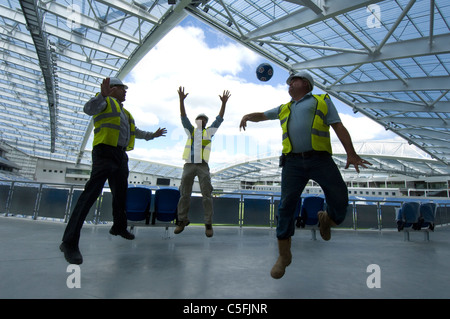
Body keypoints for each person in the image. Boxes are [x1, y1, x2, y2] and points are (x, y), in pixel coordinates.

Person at [239, 71, 371, 279]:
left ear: (306, 84)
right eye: (289, 83)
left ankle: (327, 218)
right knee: (286, 206)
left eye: (294, 81)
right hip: (292, 162)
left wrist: (351, 153)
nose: (289, 85)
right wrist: (248, 116)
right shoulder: (285, 108)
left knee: (339, 196)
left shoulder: (322, 100)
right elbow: (263, 115)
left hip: (320, 159)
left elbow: (338, 126)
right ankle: (284, 255)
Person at [60, 77, 167, 264]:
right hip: (104, 152)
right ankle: (69, 242)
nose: (125, 91)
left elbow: (137, 132)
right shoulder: (104, 101)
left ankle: (118, 226)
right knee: (90, 195)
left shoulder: (125, 113)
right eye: (122, 88)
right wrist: (102, 95)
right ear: (112, 89)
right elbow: (88, 109)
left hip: (120, 155)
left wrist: (153, 135)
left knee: (121, 194)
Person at [174, 86, 231, 237]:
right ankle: (182, 220)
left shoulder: (209, 132)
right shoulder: (190, 130)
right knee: (184, 193)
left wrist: (223, 103)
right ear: (196, 121)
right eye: (200, 118)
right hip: (189, 164)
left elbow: (219, 119)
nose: (202, 120)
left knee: (207, 194)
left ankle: (208, 223)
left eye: (204, 119)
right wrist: (181, 100)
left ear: (206, 123)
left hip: (203, 166)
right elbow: (183, 116)